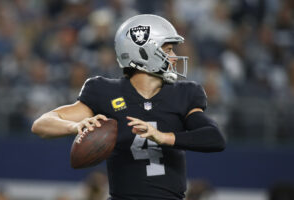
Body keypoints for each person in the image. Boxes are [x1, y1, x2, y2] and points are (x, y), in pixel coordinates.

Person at [32, 14, 226, 200]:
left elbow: (214, 138)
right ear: (143, 52)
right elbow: (41, 124)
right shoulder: (104, 91)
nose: (174, 57)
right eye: (167, 50)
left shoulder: (184, 93)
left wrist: (163, 137)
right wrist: (76, 126)